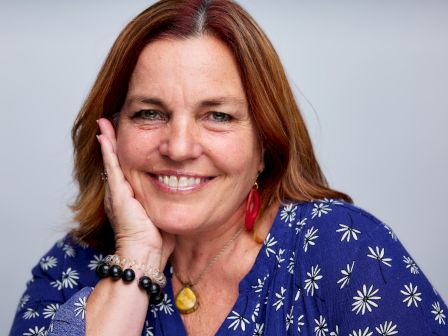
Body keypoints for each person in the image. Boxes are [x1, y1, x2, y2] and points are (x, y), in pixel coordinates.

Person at [9, 0, 447, 335]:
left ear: (264, 145)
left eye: (217, 116)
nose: (179, 147)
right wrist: (135, 262)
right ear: (113, 133)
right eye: (149, 113)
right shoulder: (70, 268)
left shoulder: (341, 250)